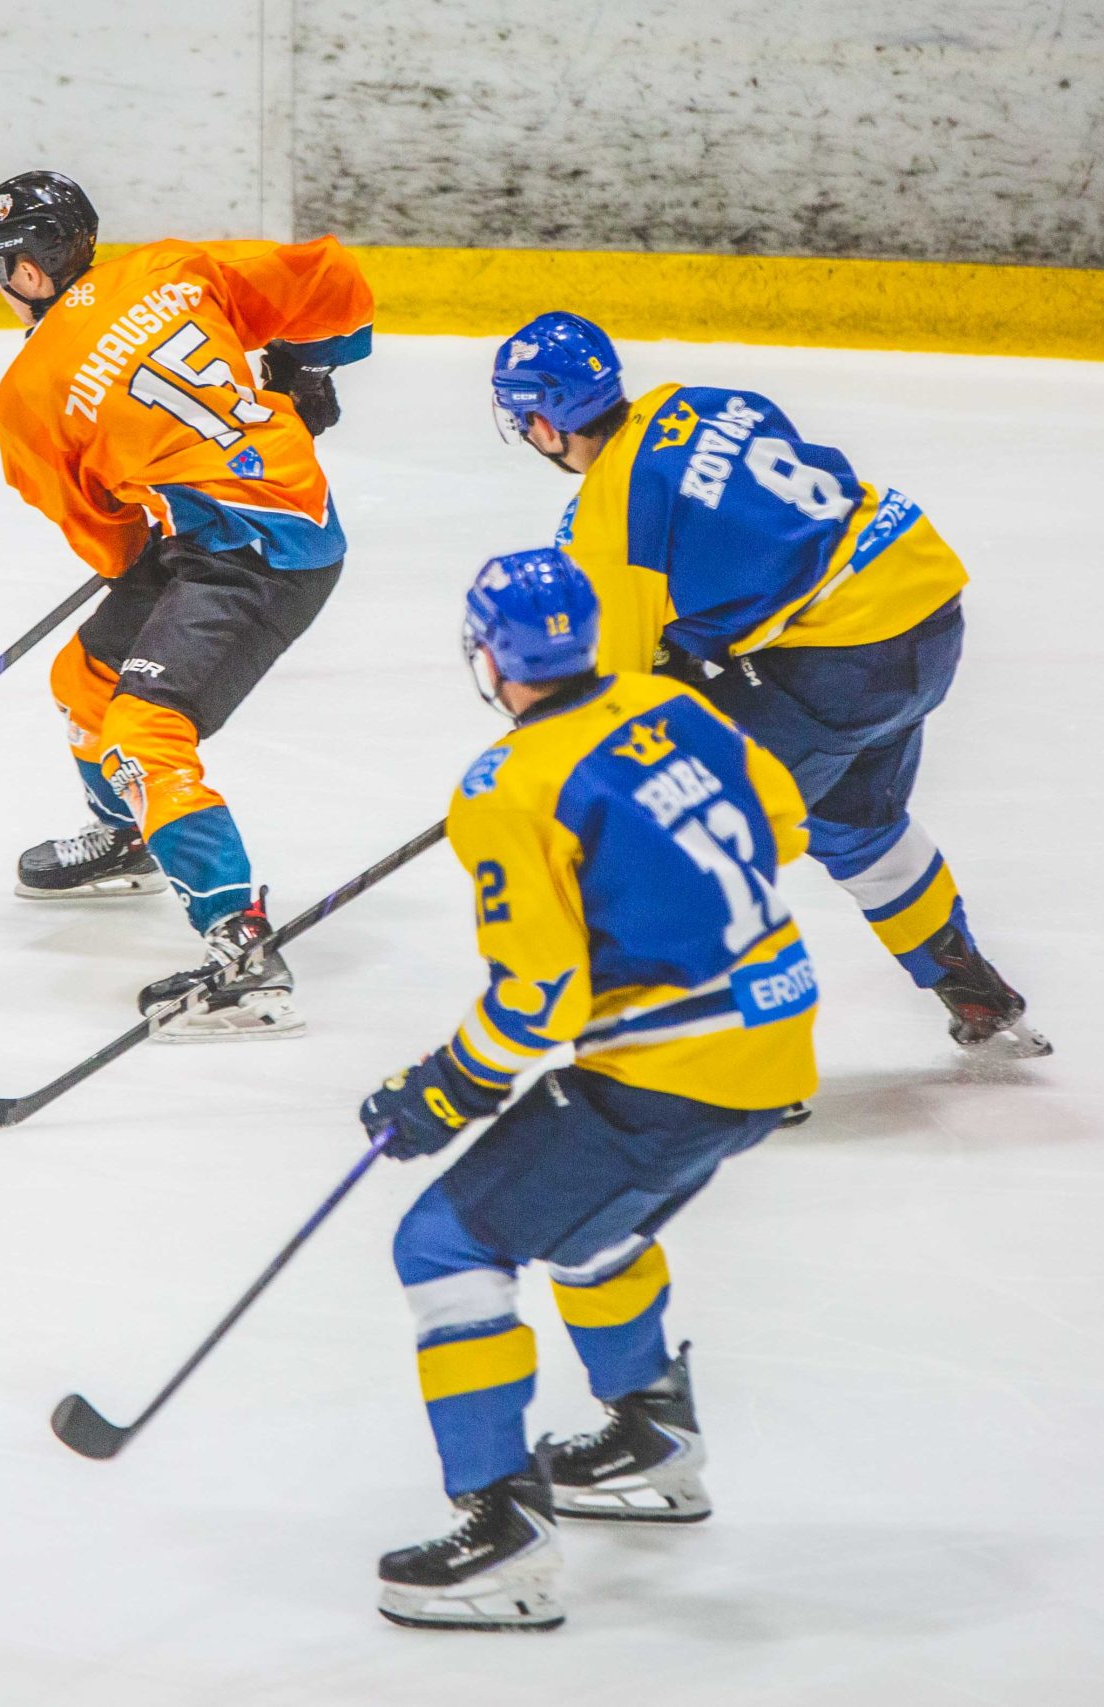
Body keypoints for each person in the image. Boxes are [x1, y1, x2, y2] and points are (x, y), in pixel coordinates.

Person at [361, 549, 818, 1632]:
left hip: (669, 1071)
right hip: (775, 1043)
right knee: (587, 1228)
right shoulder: (670, 704)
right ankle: (648, 1440)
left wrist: (443, 1088)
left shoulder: (508, 785)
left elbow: (541, 999)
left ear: (490, 658)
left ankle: (499, 1536)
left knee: (446, 1245)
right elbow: (786, 825)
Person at [489, 312, 1049, 1056]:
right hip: (925, 609)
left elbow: (616, 701)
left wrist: (547, 748)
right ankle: (974, 991)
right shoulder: (697, 401)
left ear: (542, 422)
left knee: (667, 827)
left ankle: (728, 1055)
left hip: (848, 661)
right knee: (856, 823)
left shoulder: (609, 523)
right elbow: (748, 524)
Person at [0, 170, 373, 1039]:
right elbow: (330, 279)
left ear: (28, 272)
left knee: (141, 737)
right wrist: (306, 371)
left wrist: (154, 510)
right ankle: (129, 839)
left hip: (259, 557)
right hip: (262, 514)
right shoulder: (167, 268)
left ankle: (244, 957)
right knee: (85, 680)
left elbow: (110, 544)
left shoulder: (27, 396)